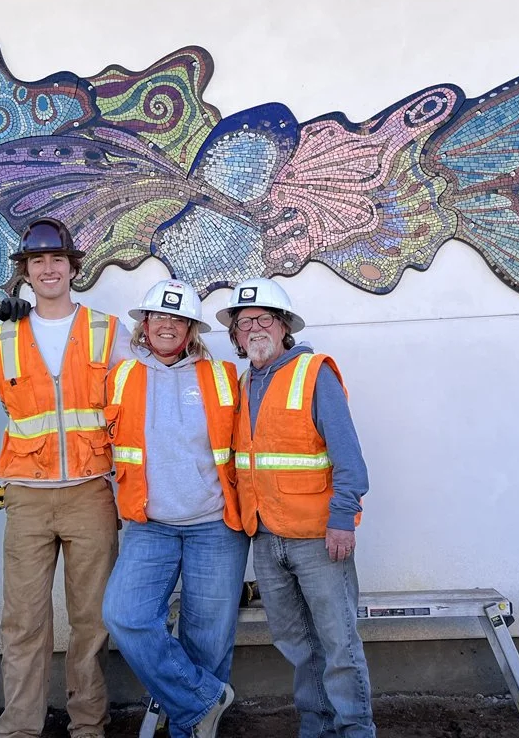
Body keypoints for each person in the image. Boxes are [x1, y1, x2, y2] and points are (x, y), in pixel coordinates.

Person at [0, 218, 130, 738]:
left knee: (92, 621)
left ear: (72, 267)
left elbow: (138, 400)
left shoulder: (108, 330)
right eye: (37, 261)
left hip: (91, 493)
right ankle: (20, 728)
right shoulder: (2, 337)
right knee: (23, 621)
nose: (48, 269)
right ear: (25, 271)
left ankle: (88, 724)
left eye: (57, 259)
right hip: (27, 497)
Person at [216, 278, 376, 738]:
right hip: (266, 538)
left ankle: (356, 731)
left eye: (264, 318)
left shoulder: (314, 373)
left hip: (319, 538)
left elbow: (349, 458)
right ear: (235, 336)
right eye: (243, 322)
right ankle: (317, 729)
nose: (254, 328)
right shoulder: (243, 383)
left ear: (284, 325)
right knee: (298, 646)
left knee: (339, 645)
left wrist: (342, 520)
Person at [101, 279, 248, 738]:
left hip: (215, 526)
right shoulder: (121, 376)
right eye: (159, 317)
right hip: (151, 525)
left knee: (207, 644)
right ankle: (205, 699)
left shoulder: (223, 376)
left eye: (178, 319)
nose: (167, 326)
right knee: (124, 615)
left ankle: (194, 725)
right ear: (144, 324)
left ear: (191, 329)